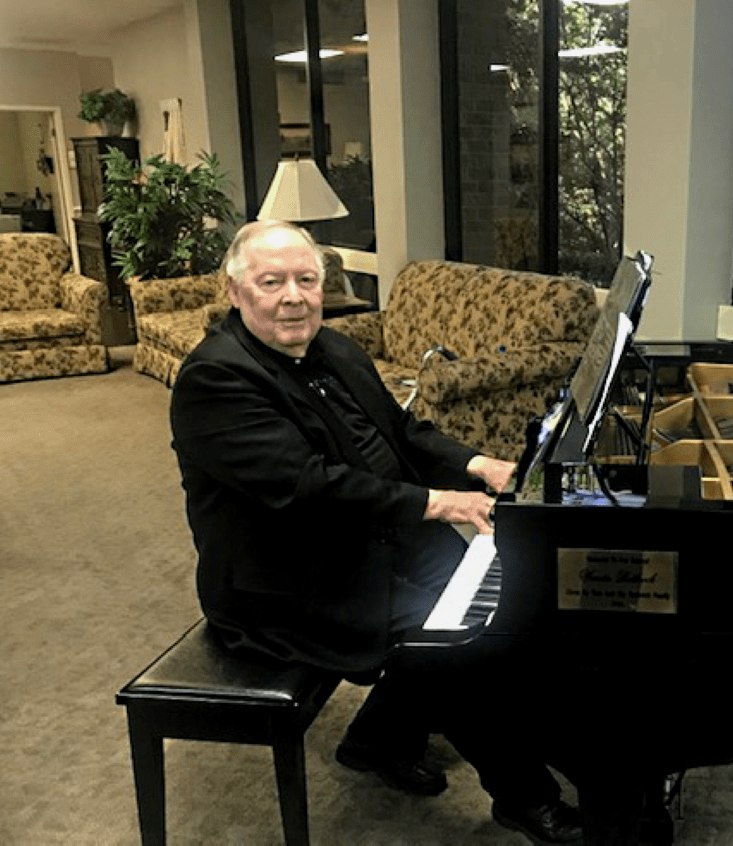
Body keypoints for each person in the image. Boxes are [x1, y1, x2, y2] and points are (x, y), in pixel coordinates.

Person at [169, 220, 581, 844]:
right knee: (458, 642)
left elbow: (404, 432)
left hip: (376, 538)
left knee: (507, 600)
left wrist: (480, 464)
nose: (293, 297)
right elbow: (309, 486)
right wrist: (438, 503)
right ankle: (527, 798)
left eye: (306, 280)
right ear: (235, 291)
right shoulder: (216, 380)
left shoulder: (334, 348)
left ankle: (376, 739)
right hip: (289, 581)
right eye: (272, 282)